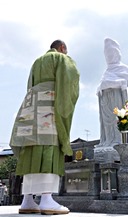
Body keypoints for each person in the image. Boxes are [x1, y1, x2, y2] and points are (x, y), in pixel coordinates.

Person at [10, 40, 80, 215]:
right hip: (49, 105)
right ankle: (47, 200)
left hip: (31, 107)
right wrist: (65, 107)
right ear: (62, 48)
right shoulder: (62, 59)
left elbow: (29, 86)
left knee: (30, 149)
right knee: (49, 146)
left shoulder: (37, 61)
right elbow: (69, 82)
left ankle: (27, 200)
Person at [95, 38, 128, 148]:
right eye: (107, 54)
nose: (109, 56)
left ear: (117, 53)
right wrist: (101, 87)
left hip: (117, 98)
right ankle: (108, 140)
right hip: (105, 100)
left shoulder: (123, 68)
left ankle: (118, 140)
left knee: (117, 119)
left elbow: (127, 82)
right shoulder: (106, 71)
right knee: (107, 121)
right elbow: (101, 85)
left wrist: (110, 83)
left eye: (111, 53)